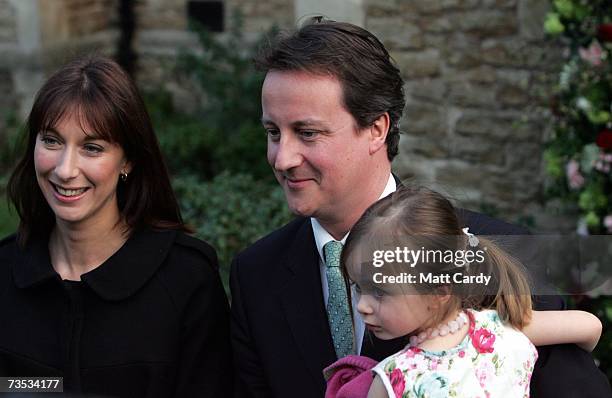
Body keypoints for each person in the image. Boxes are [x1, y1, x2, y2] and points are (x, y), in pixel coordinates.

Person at [229, 18, 611, 397]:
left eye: (307, 132)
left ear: (377, 129)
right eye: (273, 133)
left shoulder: (503, 253)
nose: (282, 159)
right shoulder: (257, 274)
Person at [0, 55, 231, 397]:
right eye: (51, 140)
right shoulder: (5, 271)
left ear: (128, 160)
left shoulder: (186, 279)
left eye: (91, 148)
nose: (65, 169)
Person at [329, 186, 602, 397]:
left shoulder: (395, 379)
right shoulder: (498, 328)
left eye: (379, 291)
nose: (362, 305)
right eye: (357, 287)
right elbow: (590, 326)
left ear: (439, 291)